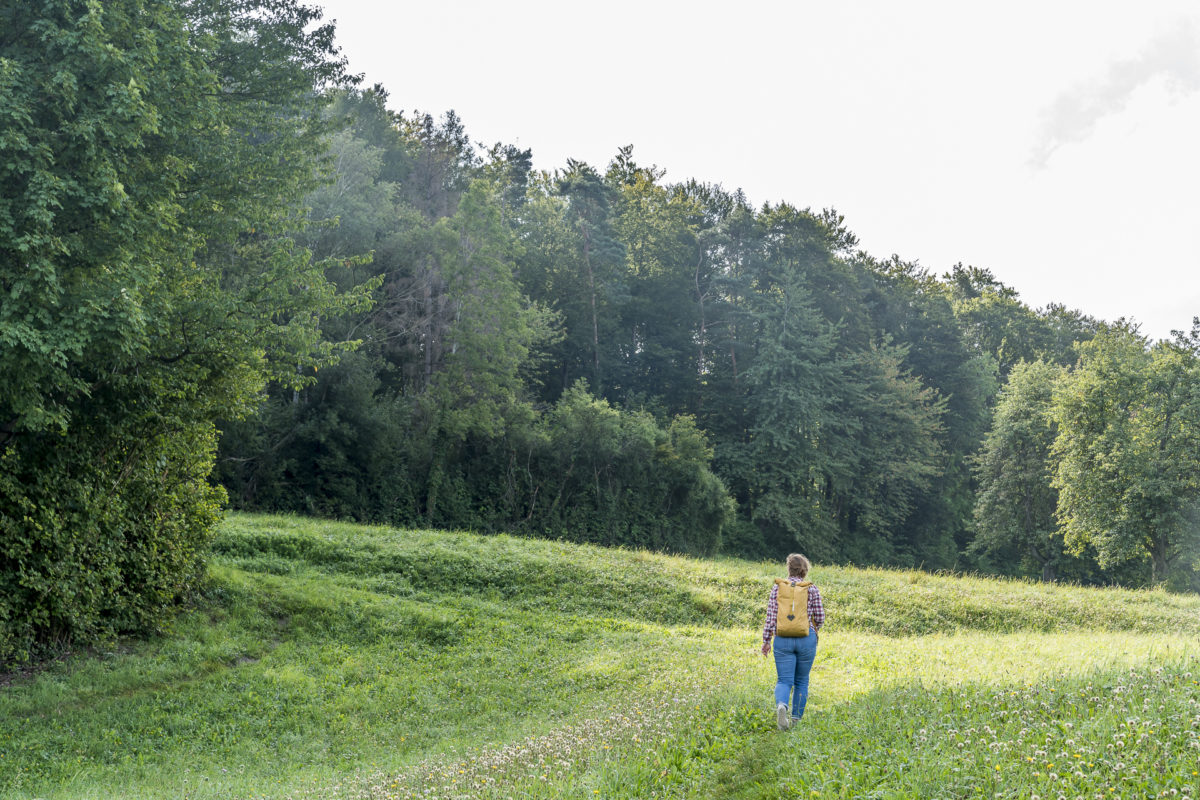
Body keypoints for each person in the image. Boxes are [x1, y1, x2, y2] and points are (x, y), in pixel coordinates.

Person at [760, 552, 825, 731]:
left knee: (783, 680)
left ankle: (782, 705)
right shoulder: (811, 588)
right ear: (804, 570)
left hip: (782, 638)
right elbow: (820, 616)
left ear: (788, 569)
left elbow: (771, 616)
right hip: (806, 638)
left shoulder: (778, 588)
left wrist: (766, 640)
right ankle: (796, 720)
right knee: (802, 680)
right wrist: (812, 628)